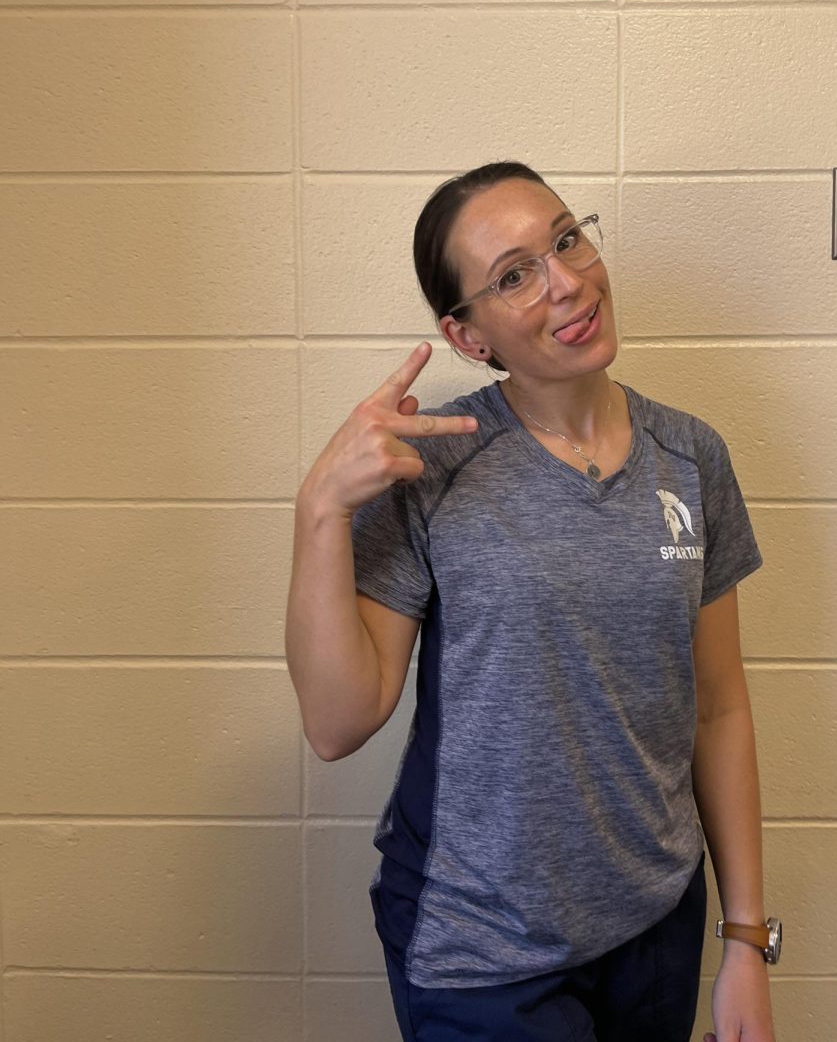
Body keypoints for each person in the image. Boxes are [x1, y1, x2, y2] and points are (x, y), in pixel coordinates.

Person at [285, 162, 777, 1042]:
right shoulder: (432, 466)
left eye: (566, 238)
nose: (568, 282)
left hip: (654, 919)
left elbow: (720, 708)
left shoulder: (691, 457)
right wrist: (319, 509)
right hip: (482, 946)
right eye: (514, 275)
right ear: (468, 336)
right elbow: (337, 722)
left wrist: (744, 936)